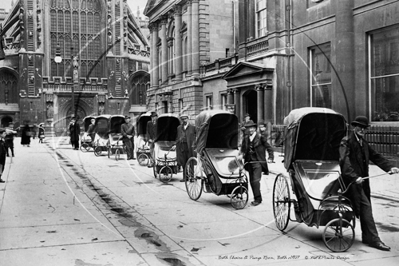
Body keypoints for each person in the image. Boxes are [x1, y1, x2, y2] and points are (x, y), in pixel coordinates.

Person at [339, 116, 399, 251]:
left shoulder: (363, 143)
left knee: (365, 208)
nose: (362, 130)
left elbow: (375, 156)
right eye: (360, 127)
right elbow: (344, 162)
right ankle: (374, 239)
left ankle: (368, 237)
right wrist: (354, 177)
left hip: (362, 183)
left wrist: (389, 167)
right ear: (354, 127)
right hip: (351, 183)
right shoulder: (346, 141)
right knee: (366, 209)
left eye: (364, 128)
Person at [239, 120, 274, 206]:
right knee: (251, 181)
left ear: (254, 128)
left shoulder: (261, 137)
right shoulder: (246, 138)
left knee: (255, 181)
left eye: (251, 128)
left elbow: (269, 148)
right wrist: (240, 155)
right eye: (248, 128)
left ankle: (258, 199)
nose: (250, 130)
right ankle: (256, 198)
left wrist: (270, 157)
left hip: (258, 162)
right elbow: (243, 149)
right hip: (249, 162)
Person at [175, 114, 196, 182]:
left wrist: (194, 144)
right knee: (183, 162)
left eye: (185, 119)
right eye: (183, 119)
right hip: (182, 147)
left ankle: (192, 177)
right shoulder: (179, 128)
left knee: (191, 162)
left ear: (188, 119)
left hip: (190, 147)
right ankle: (185, 177)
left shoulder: (193, 127)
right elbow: (177, 137)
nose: (184, 120)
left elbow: (196, 136)